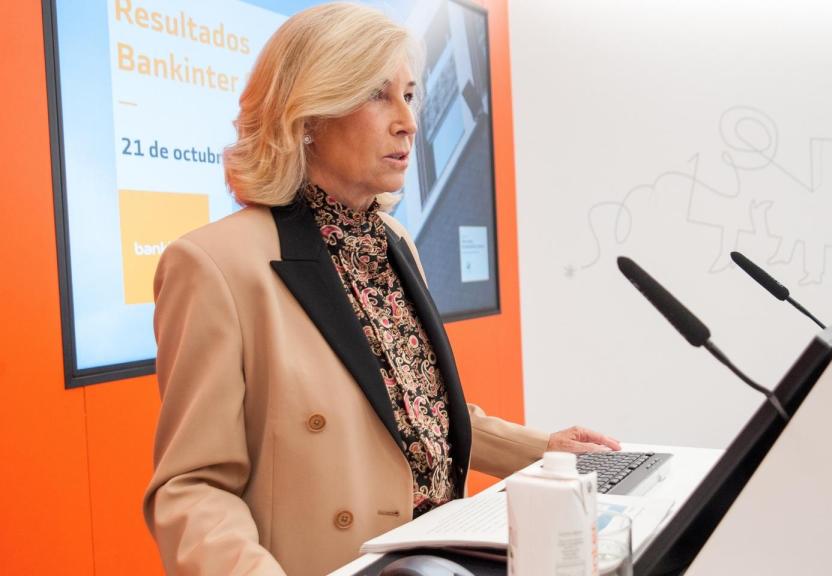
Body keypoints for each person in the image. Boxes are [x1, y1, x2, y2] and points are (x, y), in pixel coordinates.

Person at [142, 4, 620, 575]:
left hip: (439, 560)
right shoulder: (214, 264)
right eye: (376, 95)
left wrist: (546, 452)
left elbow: (418, 409)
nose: (407, 121)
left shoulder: (394, 241)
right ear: (307, 115)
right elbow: (192, 488)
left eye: (409, 95)